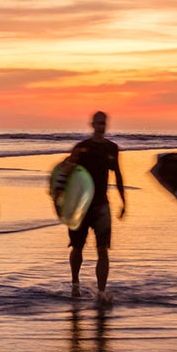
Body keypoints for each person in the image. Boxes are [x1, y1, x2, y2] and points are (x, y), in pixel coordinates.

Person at [59, 110, 126, 302]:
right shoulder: (81, 147)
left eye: (103, 123)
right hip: (81, 206)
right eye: (98, 123)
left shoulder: (112, 148)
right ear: (92, 125)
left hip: (101, 205)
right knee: (77, 247)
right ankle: (75, 284)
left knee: (103, 249)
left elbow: (118, 175)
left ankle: (102, 291)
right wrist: (61, 200)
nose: (101, 127)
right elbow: (64, 171)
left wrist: (124, 201)